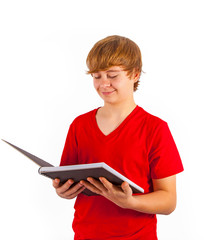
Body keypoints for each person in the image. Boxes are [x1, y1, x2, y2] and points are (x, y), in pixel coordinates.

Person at [52, 35, 184, 240]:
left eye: (112, 75)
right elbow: (69, 179)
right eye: (96, 76)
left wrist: (130, 202)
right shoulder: (79, 125)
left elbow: (168, 201)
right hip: (84, 235)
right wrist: (63, 191)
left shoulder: (155, 128)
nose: (104, 83)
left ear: (135, 74)